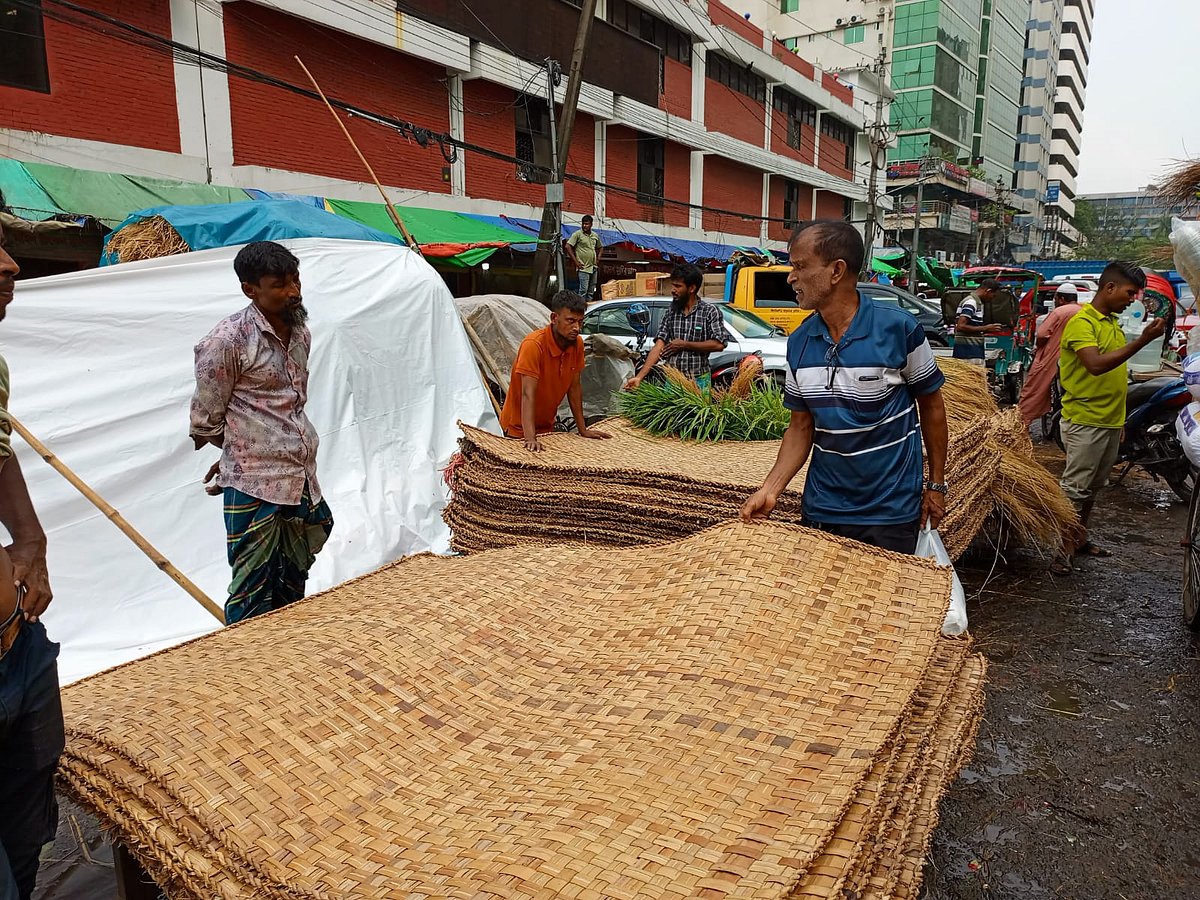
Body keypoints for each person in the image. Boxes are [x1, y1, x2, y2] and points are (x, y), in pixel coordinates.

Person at [739, 221, 949, 554]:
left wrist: (936, 484)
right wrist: (771, 488)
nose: (791, 277)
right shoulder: (799, 343)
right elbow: (800, 426)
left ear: (837, 270)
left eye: (800, 266)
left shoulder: (899, 329)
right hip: (823, 507)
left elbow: (933, 407)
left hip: (890, 511)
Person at [190, 241, 334, 623]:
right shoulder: (227, 341)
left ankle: (283, 665)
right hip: (254, 485)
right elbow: (205, 421)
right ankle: (242, 671)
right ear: (250, 289)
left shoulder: (300, 332)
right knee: (252, 591)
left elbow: (292, 403)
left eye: (296, 279)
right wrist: (239, 453)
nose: (294, 291)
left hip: (300, 476)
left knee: (292, 581)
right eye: (280, 284)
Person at [0, 221, 63, 900]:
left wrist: (30, 541)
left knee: (25, 843)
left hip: (19, 649)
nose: (12, 265)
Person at [1051, 260, 1166, 575]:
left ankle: (1078, 537)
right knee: (1075, 488)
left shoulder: (1112, 323)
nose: (1132, 299)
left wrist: (1122, 422)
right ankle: (1060, 551)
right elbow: (1096, 365)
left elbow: (1117, 374)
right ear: (1109, 287)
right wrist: (1142, 341)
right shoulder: (1081, 322)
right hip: (1085, 420)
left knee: (1093, 488)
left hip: (1109, 421)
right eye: (1130, 292)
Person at [499, 290, 611, 452]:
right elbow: (527, 394)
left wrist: (583, 429)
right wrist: (530, 438)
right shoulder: (534, 345)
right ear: (554, 318)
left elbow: (574, 389)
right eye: (570, 321)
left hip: (547, 428)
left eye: (580, 322)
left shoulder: (577, 344)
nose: (576, 328)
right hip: (518, 429)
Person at [623, 264, 727, 391]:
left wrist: (684, 344)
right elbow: (658, 346)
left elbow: (719, 344)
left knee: (695, 411)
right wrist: (639, 377)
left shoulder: (709, 312)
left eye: (678, 286)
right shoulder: (671, 312)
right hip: (673, 381)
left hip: (699, 381)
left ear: (692, 288)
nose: (673, 290)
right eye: (673, 285)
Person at [1017, 283, 1082, 427]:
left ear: (1061, 298)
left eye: (1056, 298)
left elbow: (1041, 334)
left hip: (1054, 356)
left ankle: (1023, 420)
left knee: (1034, 387)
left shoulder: (1059, 312)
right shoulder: (1083, 311)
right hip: (1076, 358)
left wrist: (1039, 347)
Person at [952, 278, 1004, 366]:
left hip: (972, 352)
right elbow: (960, 326)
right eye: (993, 295)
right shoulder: (971, 302)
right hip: (968, 354)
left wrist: (986, 329)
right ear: (988, 291)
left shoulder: (977, 303)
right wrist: (986, 328)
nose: (992, 299)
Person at [565, 216, 602, 300]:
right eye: (583, 224)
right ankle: (580, 310)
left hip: (593, 267)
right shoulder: (577, 234)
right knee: (583, 291)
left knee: (591, 291)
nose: (584, 226)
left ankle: (589, 310)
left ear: (591, 224)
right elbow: (567, 246)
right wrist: (576, 262)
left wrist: (598, 258)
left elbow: (600, 247)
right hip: (583, 268)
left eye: (587, 224)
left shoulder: (595, 235)